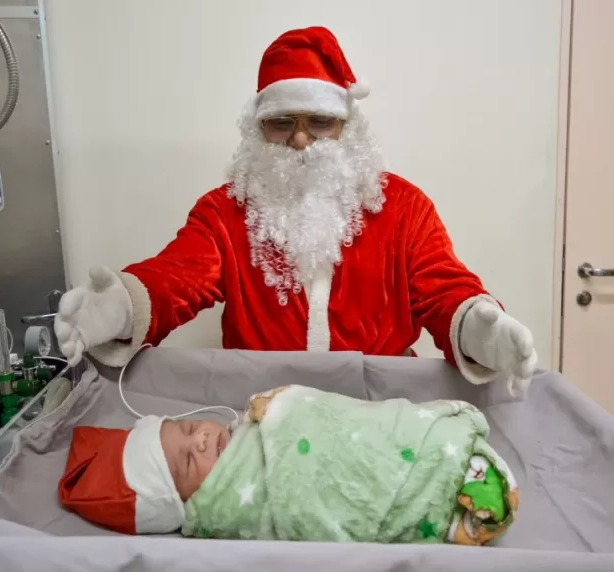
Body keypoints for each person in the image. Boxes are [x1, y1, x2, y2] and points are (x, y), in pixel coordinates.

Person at [53, 26, 538, 390]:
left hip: (378, 409)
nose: (301, 140)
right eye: (282, 123)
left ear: (347, 127)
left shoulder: (404, 209)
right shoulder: (226, 211)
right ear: (258, 129)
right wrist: (118, 308)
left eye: (320, 122)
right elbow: (176, 278)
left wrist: (480, 331)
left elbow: (444, 291)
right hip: (262, 412)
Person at [58, 385, 519, 545]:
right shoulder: (220, 506)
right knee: (360, 474)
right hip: (327, 473)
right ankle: (439, 483)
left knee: (373, 427)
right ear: (184, 503)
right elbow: (299, 493)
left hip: (364, 431)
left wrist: (283, 407)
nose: (200, 439)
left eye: (188, 429)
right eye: (186, 461)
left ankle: (440, 448)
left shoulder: (244, 427)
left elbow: (331, 418)